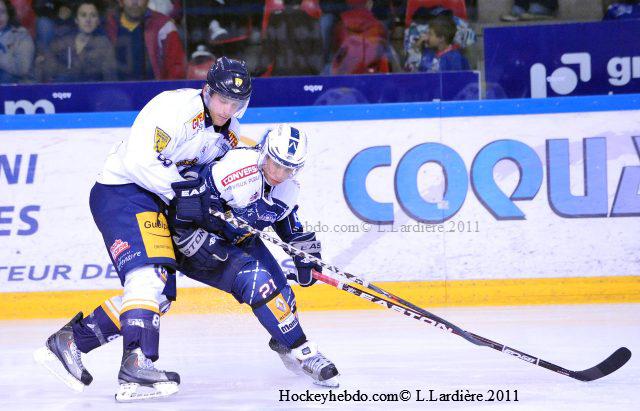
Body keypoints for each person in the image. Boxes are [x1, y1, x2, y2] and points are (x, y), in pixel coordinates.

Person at [34, 56, 252, 402]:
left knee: (158, 294)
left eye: (236, 103)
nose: (227, 109)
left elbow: (211, 182)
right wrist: (184, 194)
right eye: (223, 99)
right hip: (124, 192)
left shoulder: (231, 135)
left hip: (156, 203)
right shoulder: (174, 108)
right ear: (207, 90)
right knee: (146, 276)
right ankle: (137, 363)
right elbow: (139, 160)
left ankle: (72, 341)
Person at [169, 124, 340, 387]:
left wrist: (302, 251)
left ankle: (284, 342)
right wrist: (190, 229)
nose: (280, 174)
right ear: (264, 153)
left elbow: (287, 224)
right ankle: (305, 352)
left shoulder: (288, 188)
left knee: (285, 297)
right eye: (276, 164)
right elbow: (188, 193)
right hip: (203, 243)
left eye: (289, 169)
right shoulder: (234, 168)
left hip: (241, 239)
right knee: (258, 282)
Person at [106, 0, 186, 80]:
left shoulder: (165, 26)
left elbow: (176, 71)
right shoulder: (108, 25)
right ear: (120, 1)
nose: (135, 2)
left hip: (153, 87)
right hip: (114, 87)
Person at [41, 1, 117, 82]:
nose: (88, 20)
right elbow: (49, 74)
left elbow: (110, 79)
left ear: (98, 21)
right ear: (76, 20)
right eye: (83, 15)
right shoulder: (63, 41)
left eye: (93, 15)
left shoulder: (104, 44)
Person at [256, 0, 323, 76]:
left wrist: (258, 72)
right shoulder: (312, 21)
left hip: (281, 74)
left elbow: (268, 50)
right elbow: (317, 52)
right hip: (305, 74)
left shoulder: (275, 19)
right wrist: (315, 73)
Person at [0, 0, 35, 82]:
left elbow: (23, 68)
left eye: (2, 12)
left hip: (15, 84)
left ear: (8, 14)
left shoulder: (20, 36)